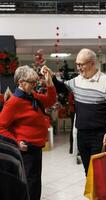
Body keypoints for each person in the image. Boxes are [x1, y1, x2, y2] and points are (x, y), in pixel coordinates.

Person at [42, 48, 106, 175]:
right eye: (77, 64)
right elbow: (62, 87)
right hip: (82, 135)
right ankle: (94, 195)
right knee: (89, 172)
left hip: (100, 136)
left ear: (92, 63)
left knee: (99, 173)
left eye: (82, 64)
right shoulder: (77, 80)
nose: (79, 68)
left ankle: (101, 195)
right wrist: (51, 75)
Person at [0, 65, 56, 200]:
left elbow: (50, 100)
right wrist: (16, 142)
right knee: (30, 183)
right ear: (21, 82)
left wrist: (49, 82)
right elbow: (1, 127)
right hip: (26, 149)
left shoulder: (32, 96)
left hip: (36, 146)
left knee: (35, 181)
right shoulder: (14, 102)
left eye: (35, 82)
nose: (34, 85)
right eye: (32, 83)